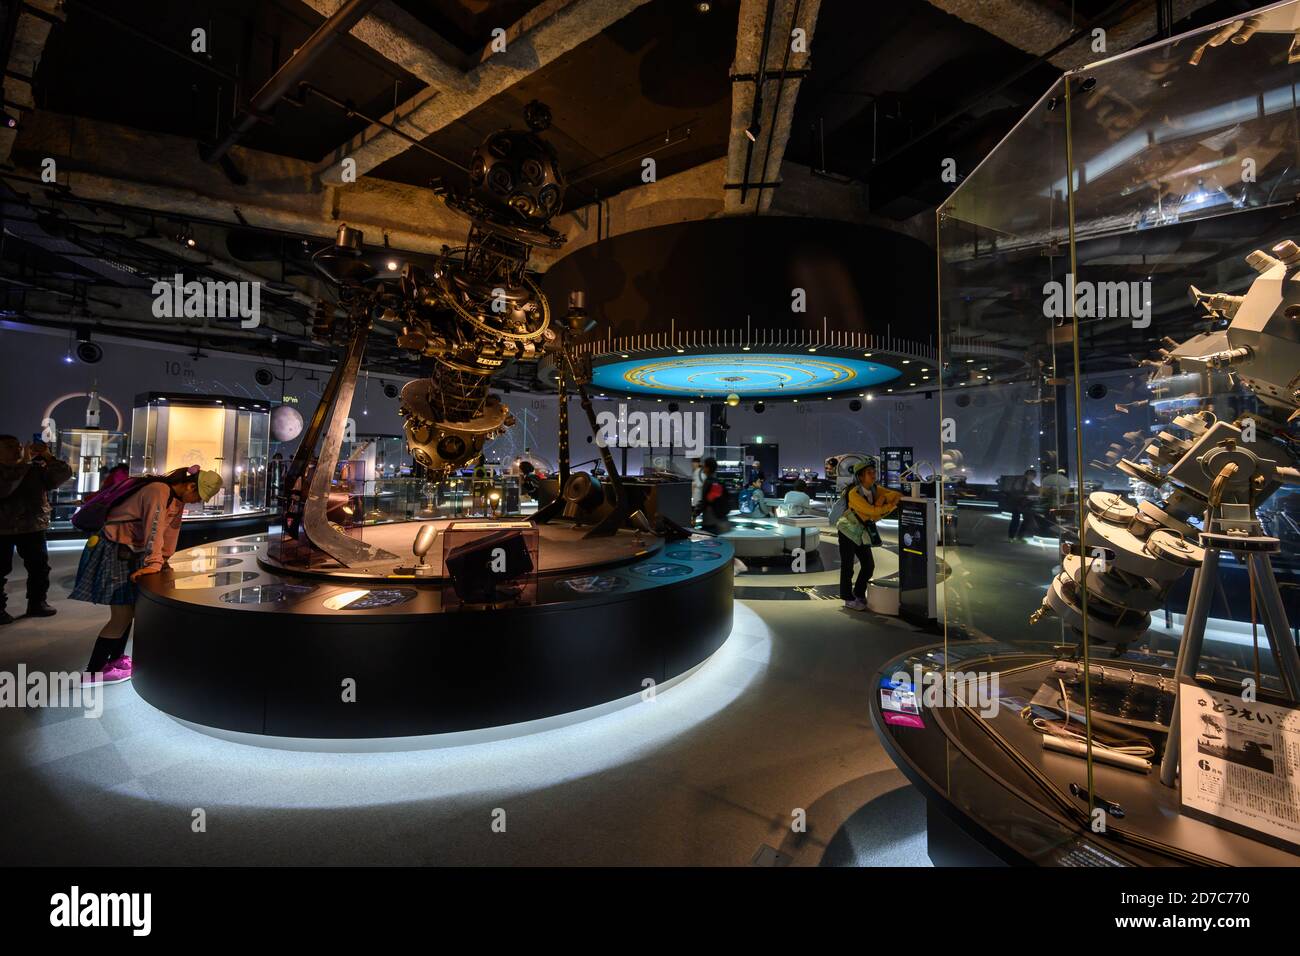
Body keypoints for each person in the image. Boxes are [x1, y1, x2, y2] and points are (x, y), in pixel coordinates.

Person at [70, 465, 222, 683]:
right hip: (114, 550)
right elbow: (154, 527)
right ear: (190, 485)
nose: (196, 501)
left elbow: (171, 531)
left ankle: (115, 660)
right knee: (121, 615)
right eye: (198, 496)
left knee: (129, 611)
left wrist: (164, 560)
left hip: (129, 552)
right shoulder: (158, 490)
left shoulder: (176, 498)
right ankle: (92, 673)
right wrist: (154, 562)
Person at [0, 436, 73, 624]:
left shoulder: (34, 470)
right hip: (3, 528)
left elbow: (62, 474)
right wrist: (26, 464)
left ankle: (37, 603)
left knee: (39, 568)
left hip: (32, 526)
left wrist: (48, 456)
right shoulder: (26, 469)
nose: (17, 449)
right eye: (9, 446)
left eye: (18, 446)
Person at [835, 461, 901, 611]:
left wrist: (883, 500)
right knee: (847, 566)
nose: (873, 475)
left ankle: (858, 593)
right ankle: (847, 598)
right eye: (869, 472)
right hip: (847, 531)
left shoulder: (875, 489)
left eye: (873, 471)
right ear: (860, 476)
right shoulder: (854, 493)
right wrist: (889, 505)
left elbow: (895, 495)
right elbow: (872, 512)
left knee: (868, 565)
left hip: (861, 531)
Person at [698, 458, 732, 534]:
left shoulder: (708, 482)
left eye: (704, 465)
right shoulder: (718, 482)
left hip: (710, 520)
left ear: (708, 468)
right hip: (719, 519)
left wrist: (696, 512)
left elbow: (706, 502)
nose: (703, 467)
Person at [1008, 467, 1039, 541]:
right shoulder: (1019, 482)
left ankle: (1019, 536)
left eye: (1033, 476)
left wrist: (1033, 497)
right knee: (1015, 520)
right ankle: (1011, 536)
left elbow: (1035, 493)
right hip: (1017, 503)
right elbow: (1015, 492)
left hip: (1026, 505)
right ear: (1026, 475)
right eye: (1030, 475)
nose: (1031, 477)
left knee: (1027, 520)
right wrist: (1026, 496)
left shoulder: (1032, 485)